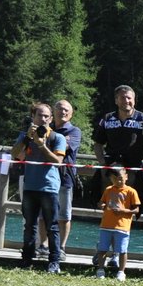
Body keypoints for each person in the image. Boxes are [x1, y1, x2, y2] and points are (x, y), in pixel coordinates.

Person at [12, 101, 68, 273]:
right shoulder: (25, 136)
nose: (43, 119)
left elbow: (58, 161)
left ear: (51, 119)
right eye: (39, 115)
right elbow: (15, 155)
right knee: (29, 225)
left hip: (49, 188)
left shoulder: (57, 138)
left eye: (46, 116)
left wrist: (42, 146)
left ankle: (54, 262)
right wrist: (27, 138)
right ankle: (26, 259)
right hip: (30, 186)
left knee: (52, 226)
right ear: (33, 117)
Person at [91, 85, 143, 208]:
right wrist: (103, 163)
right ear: (116, 100)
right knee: (107, 206)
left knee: (129, 207)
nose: (126, 101)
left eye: (129, 98)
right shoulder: (107, 118)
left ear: (134, 100)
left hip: (132, 171)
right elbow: (98, 144)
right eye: (122, 98)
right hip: (110, 171)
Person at [92, 165, 140, 280]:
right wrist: (102, 205)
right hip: (106, 225)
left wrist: (123, 210)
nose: (117, 181)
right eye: (114, 179)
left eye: (120, 178)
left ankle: (121, 272)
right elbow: (101, 202)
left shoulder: (131, 191)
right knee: (102, 249)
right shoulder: (108, 190)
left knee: (122, 250)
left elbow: (136, 209)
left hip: (122, 226)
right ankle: (100, 269)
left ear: (126, 177)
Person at [52, 99, 82, 252]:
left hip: (65, 177)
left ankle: (61, 247)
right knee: (44, 214)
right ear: (53, 111)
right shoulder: (46, 128)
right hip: (46, 177)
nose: (62, 112)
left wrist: (44, 143)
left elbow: (63, 147)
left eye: (66, 110)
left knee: (64, 214)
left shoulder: (74, 131)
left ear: (71, 114)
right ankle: (43, 246)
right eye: (59, 108)